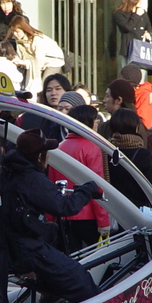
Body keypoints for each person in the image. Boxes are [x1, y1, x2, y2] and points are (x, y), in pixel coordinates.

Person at [0, 129, 101, 303]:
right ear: (40, 157)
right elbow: (65, 206)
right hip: (28, 247)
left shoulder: (8, 171)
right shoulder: (31, 178)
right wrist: (87, 189)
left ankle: (49, 294)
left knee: (54, 232)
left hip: (12, 243)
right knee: (79, 276)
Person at [47, 104, 110, 252]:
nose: (97, 124)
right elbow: (96, 186)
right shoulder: (92, 147)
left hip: (63, 215)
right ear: (87, 122)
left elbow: (51, 184)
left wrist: (50, 217)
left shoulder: (59, 148)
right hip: (88, 215)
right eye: (95, 120)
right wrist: (103, 221)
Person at [106, 108, 152, 208]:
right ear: (136, 127)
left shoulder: (106, 151)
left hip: (112, 208)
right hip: (137, 210)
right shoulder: (143, 154)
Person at [6, 18, 65, 94]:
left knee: (46, 85)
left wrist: (25, 63)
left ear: (24, 29)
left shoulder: (37, 39)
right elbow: (23, 57)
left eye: (17, 32)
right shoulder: (19, 41)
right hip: (38, 62)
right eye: (13, 31)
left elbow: (39, 60)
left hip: (53, 61)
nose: (15, 34)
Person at [111, 0, 152, 69]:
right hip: (128, 51)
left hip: (142, 51)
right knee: (128, 76)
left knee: (141, 77)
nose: (141, 1)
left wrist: (148, 34)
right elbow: (127, 28)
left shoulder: (142, 12)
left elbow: (149, 28)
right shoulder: (119, 13)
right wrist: (136, 15)